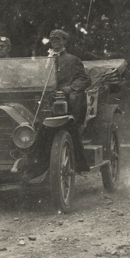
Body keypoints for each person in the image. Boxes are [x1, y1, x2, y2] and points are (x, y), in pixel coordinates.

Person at [48, 29, 92, 171]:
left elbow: (84, 79)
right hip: (49, 95)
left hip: (65, 97)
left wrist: (70, 88)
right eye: (52, 40)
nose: (55, 43)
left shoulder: (73, 60)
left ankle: (72, 126)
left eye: (58, 40)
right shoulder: (46, 60)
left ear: (64, 41)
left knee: (73, 98)